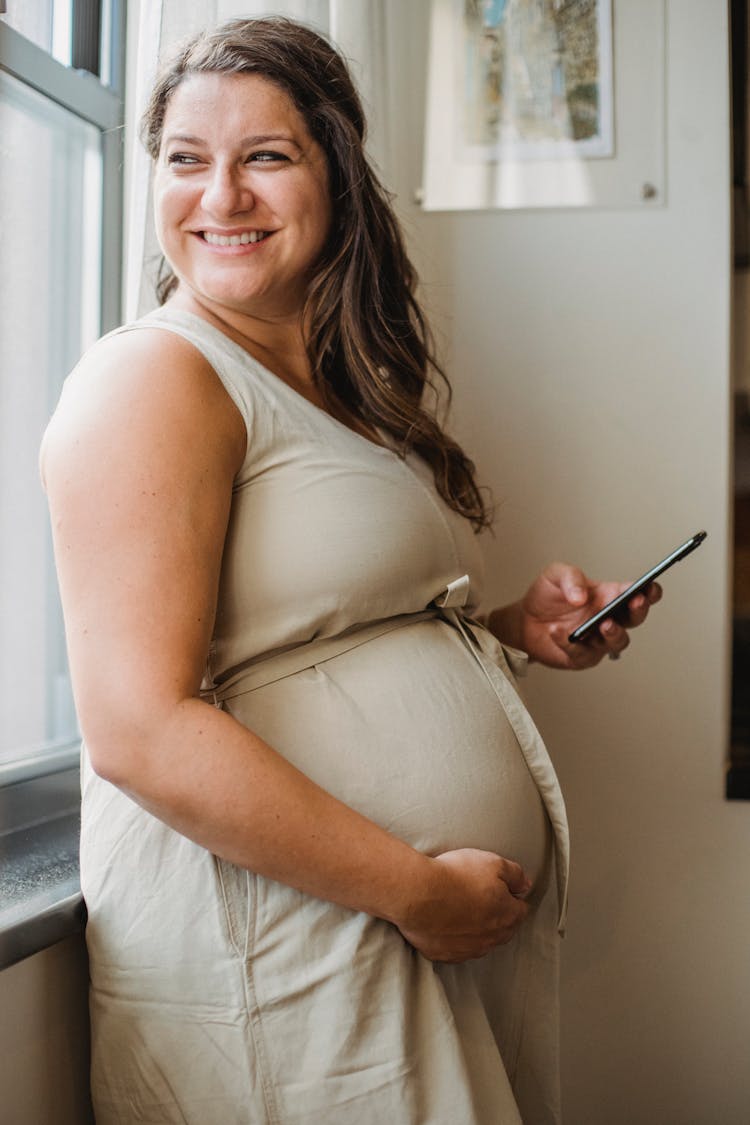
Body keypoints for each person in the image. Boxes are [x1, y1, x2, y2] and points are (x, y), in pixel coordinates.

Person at [40, 16, 659, 1125]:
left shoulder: (336, 385)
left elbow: (319, 636)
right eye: (186, 160)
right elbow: (136, 727)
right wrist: (417, 892)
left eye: (264, 157)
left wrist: (515, 630)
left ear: (338, 175)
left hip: (369, 944)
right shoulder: (153, 380)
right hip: (281, 951)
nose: (220, 195)